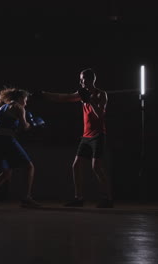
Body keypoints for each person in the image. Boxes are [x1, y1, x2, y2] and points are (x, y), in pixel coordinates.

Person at [38, 68, 113, 208]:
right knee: (76, 165)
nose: (80, 81)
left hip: (98, 135)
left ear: (91, 80)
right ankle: (79, 198)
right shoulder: (81, 93)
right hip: (86, 136)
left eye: (82, 79)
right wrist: (44, 94)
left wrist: (89, 100)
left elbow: (100, 116)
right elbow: (63, 97)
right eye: (80, 79)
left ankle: (108, 198)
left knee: (96, 166)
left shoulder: (101, 94)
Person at [0, 87, 41, 208]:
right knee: (29, 166)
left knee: (6, 172)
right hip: (6, 139)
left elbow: (9, 125)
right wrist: (34, 123)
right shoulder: (19, 107)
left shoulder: (2, 108)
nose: (26, 103)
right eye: (25, 100)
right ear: (20, 99)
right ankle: (26, 198)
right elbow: (25, 127)